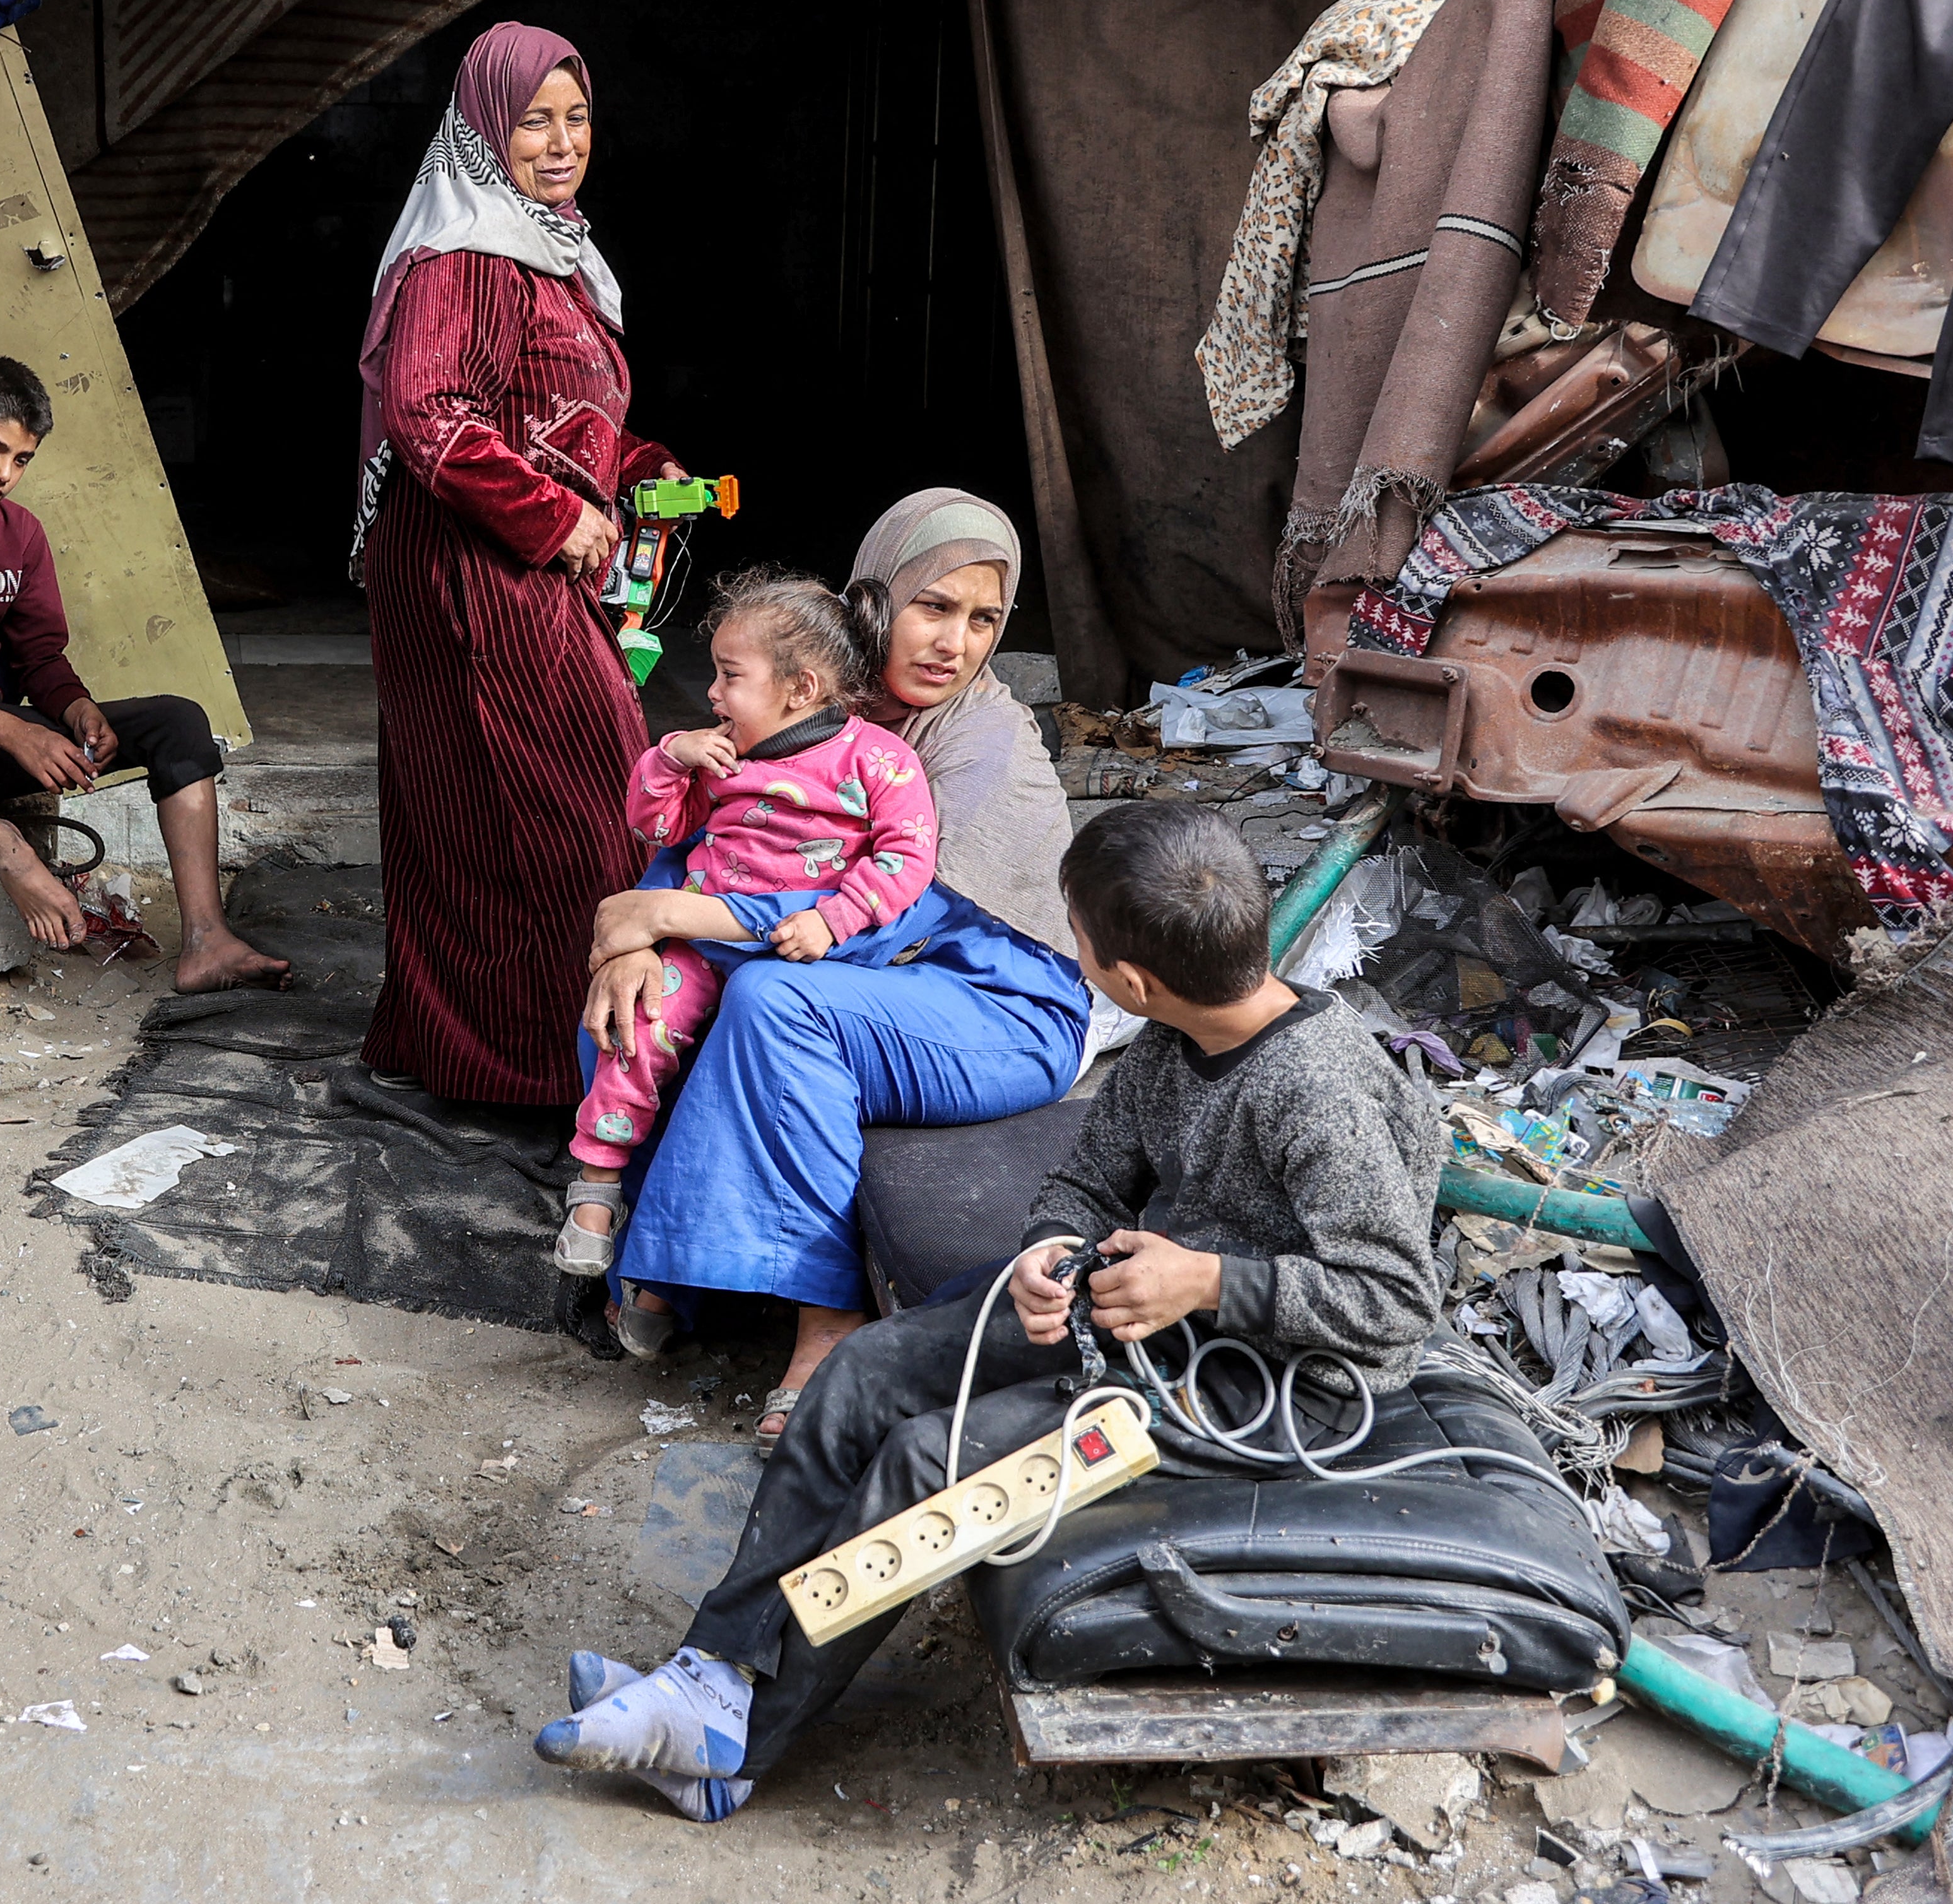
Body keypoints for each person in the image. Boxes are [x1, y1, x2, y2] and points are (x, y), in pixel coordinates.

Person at [533, 799, 1441, 1821]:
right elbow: (1087, 1185)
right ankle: (711, 1671)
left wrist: (1210, 1282)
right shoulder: (1165, 1041)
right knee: (864, 1373)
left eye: (1080, 944)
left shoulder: (1315, 1088)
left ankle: (738, 1747)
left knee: (926, 1459)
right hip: (1145, 1313)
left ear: (1130, 979)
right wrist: (1049, 1255)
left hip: (1260, 1386)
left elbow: (1397, 1305)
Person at [583, 489, 1086, 1443]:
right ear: (872, 602)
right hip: (880, 985)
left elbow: (878, 921)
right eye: (932, 607)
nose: (956, 643)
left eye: (984, 620)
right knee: (645, 996)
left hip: (997, 1009)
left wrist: (673, 913)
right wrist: (640, 933)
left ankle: (829, 1325)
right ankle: (665, 1274)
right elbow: (737, 840)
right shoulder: (818, 708)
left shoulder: (979, 743)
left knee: (777, 999)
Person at [355, 23, 690, 1105]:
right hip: (471, 575)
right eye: (532, 120)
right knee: (567, 803)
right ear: (483, 131)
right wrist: (557, 517)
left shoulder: (549, 250)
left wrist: (638, 466)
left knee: (502, 807)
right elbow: (430, 415)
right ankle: (557, 1068)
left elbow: (549, 416)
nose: (559, 141)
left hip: (513, 564)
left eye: (576, 116)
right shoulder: (463, 256)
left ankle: (489, 1050)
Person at [0, 355, 290, 994]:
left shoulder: (22, 534)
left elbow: (40, 655)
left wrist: (74, 709)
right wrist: (14, 732)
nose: (5, 475)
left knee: (181, 719)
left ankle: (208, 940)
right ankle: (6, 848)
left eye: (22, 460)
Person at [555, 572, 937, 1278]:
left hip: (803, 955)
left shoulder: (879, 760)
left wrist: (834, 919)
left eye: (730, 676)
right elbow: (657, 824)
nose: (713, 692)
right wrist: (670, 758)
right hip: (706, 942)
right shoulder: (724, 755)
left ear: (801, 688)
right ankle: (598, 1184)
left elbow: (908, 857)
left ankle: (683, 1266)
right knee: (639, 1025)